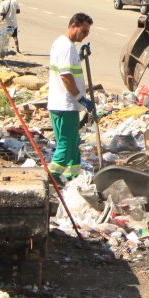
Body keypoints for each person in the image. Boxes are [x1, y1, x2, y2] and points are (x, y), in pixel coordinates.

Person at [47, 13, 94, 184]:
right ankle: (50, 178)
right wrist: (80, 98)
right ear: (73, 26)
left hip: (60, 104)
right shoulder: (66, 47)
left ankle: (72, 176)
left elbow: (68, 66)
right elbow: (66, 76)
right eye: (83, 31)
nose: (85, 35)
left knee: (73, 143)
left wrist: (80, 57)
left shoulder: (63, 44)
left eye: (87, 33)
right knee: (66, 145)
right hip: (66, 104)